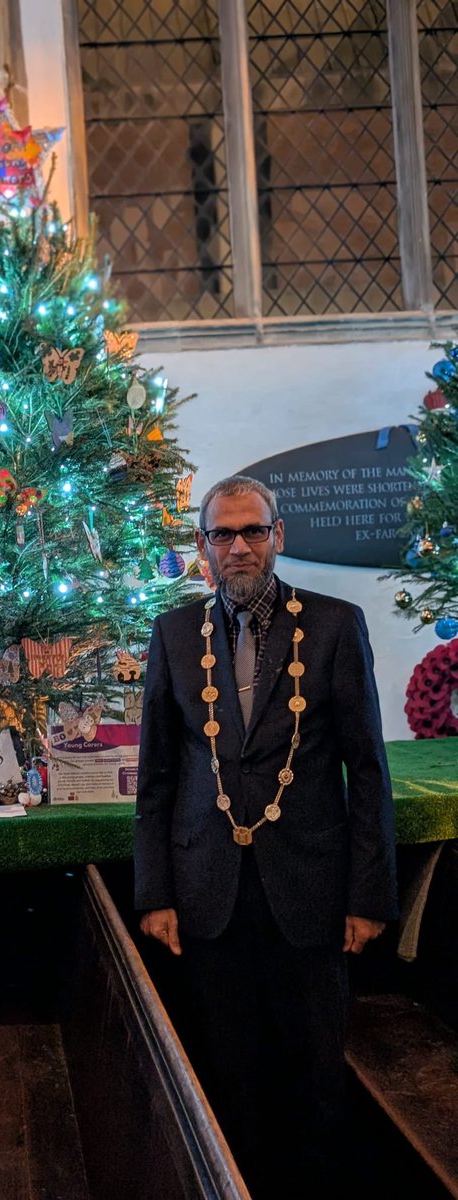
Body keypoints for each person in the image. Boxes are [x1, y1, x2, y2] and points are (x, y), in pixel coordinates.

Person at [134, 475, 397, 1199]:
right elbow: (156, 775)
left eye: (254, 531)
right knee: (228, 1078)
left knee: (314, 1081)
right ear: (202, 546)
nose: (240, 546)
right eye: (224, 534)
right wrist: (155, 892)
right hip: (207, 895)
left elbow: (368, 770)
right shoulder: (174, 634)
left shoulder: (336, 626)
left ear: (277, 535)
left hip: (309, 893)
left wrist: (369, 897)